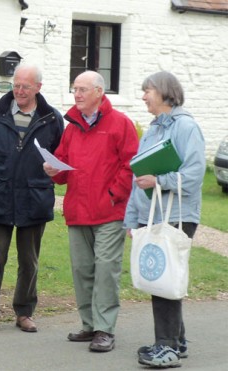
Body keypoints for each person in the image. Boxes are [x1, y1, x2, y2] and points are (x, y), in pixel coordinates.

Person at [43, 70, 139, 352]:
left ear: (99, 92)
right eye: (75, 89)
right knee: (82, 270)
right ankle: (89, 324)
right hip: (78, 211)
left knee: (106, 269)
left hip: (109, 211)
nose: (78, 94)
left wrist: (113, 195)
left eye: (83, 89)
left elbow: (131, 164)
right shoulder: (72, 127)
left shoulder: (120, 123)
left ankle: (105, 329)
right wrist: (52, 170)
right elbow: (62, 166)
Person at [124, 71, 206, 368]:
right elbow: (139, 176)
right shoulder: (152, 130)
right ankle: (176, 341)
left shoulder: (186, 127)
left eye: (147, 91)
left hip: (178, 216)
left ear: (164, 92)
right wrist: (134, 220)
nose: (144, 96)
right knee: (161, 277)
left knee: (163, 280)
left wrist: (159, 180)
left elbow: (195, 175)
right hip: (153, 216)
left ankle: (167, 347)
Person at [0, 63, 64, 334]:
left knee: (29, 261)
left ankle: (24, 312)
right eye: (16, 85)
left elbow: (58, 158)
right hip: (0, 195)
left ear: (38, 87)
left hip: (34, 197)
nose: (20, 91)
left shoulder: (52, 119)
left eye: (25, 86)